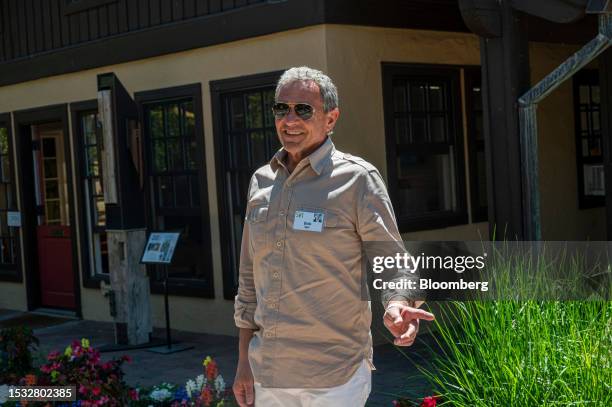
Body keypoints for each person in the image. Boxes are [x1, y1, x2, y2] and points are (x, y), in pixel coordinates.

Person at [232, 66, 435, 407]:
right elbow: (249, 279)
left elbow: (396, 264)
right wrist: (243, 361)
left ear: (330, 118)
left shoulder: (358, 180)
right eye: (282, 108)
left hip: (334, 378)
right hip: (268, 373)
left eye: (303, 109)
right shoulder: (261, 181)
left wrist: (398, 304)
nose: (290, 119)